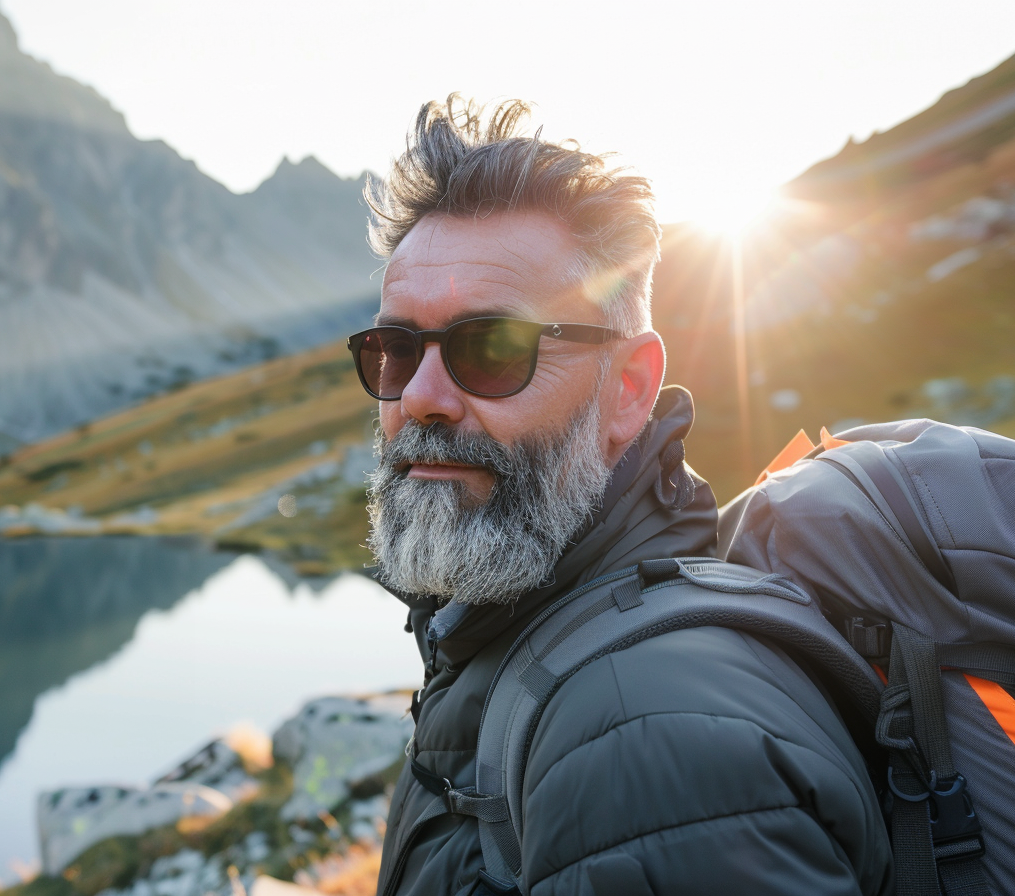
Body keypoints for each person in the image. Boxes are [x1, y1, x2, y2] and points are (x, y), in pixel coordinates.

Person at [352, 96, 892, 896]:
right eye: (395, 349)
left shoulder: (643, 735)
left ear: (629, 388)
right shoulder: (512, 638)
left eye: (494, 347)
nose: (422, 397)